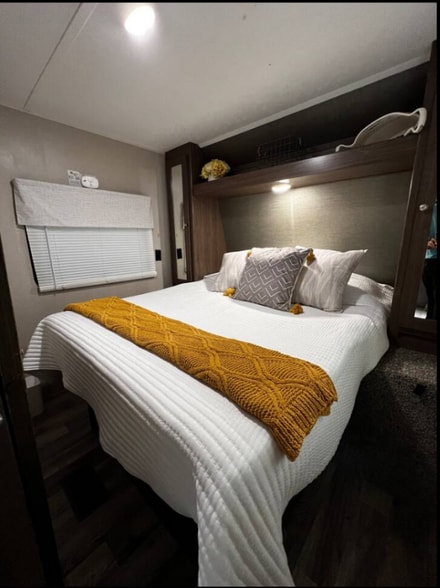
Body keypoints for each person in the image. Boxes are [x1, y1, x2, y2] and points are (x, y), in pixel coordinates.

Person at [422, 201, 437, 319]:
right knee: (431, 295)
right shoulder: (426, 206)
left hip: (430, 258)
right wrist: (426, 242)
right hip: (428, 258)